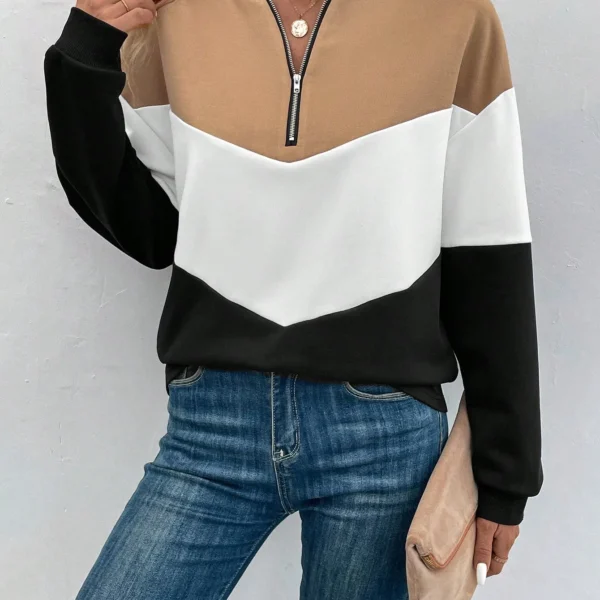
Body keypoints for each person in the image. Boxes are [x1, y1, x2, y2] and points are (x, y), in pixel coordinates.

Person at [43, 0, 543, 598]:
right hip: (212, 425)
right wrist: (85, 53)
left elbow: (489, 253)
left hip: (381, 436)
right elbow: (150, 232)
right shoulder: (177, 16)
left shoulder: (453, 16)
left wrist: (506, 475)